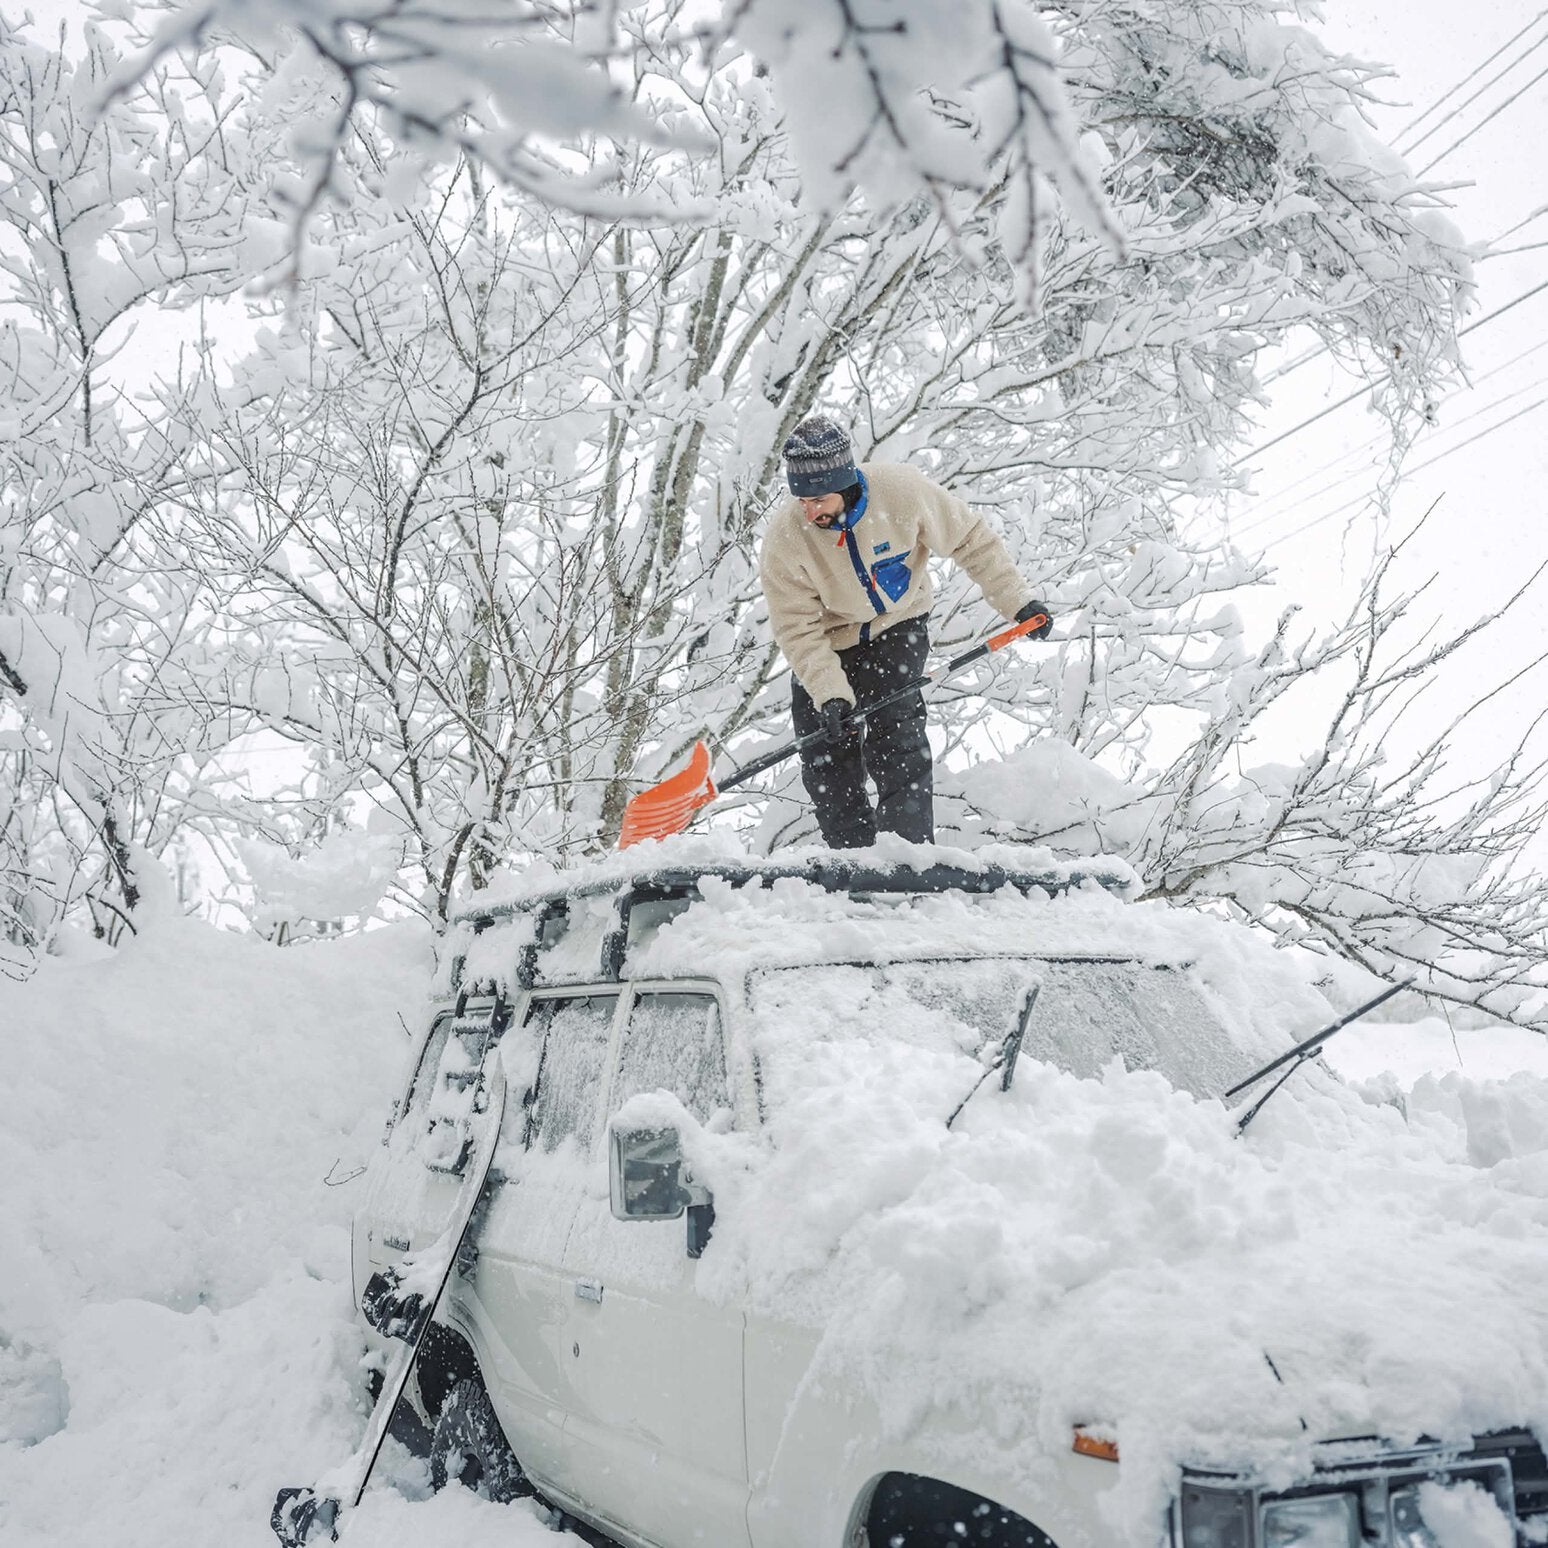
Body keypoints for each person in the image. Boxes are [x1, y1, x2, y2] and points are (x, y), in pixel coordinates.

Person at [758, 415, 1052, 849]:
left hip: (898, 625)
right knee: (824, 748)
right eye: (801, 500)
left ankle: (906, 852)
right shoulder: (787, 538)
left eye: (818, 499)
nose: (809, 510)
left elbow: (971, 538)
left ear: (844, 483)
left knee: (896, 730)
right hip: (827, 641)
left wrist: (1017, 602)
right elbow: (796, 627)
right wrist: (829, 692)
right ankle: (852, 858)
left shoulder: (902, 493)